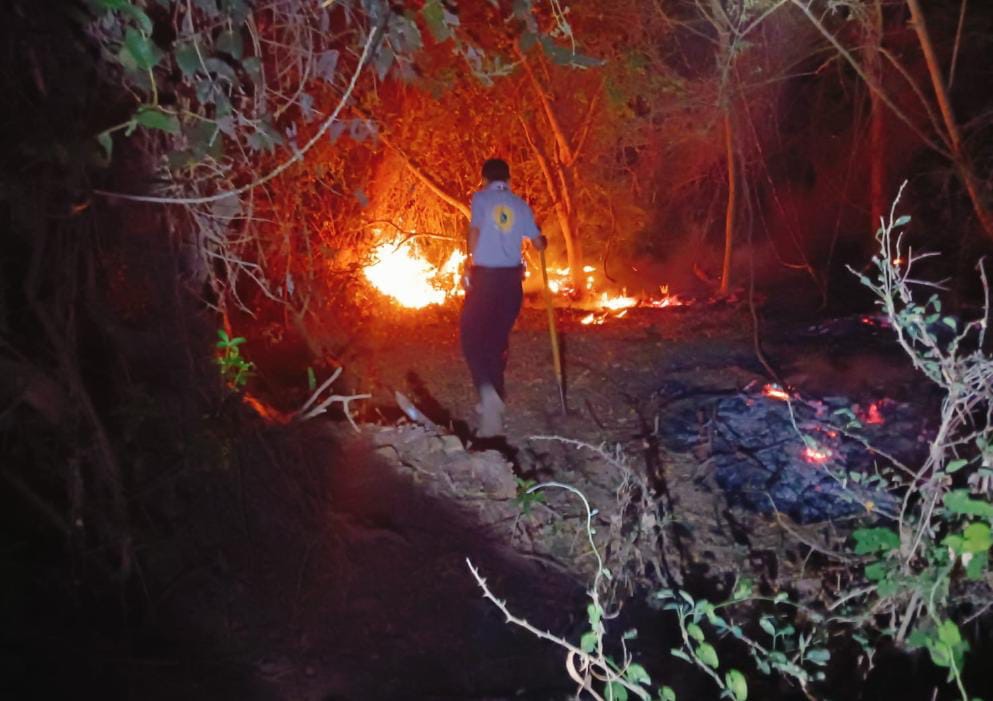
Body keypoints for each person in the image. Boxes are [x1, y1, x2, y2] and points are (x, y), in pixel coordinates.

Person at [460, 158, 547, 437]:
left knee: (471, 336)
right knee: (497, 340)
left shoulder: (481, 199)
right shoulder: (520, 205)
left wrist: (469, 262)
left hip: (485, 278)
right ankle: (494, 400)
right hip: (511, 283)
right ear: (508, 180)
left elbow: (474, 230)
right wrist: (542, 240)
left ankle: (488, 393)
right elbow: (538, 242)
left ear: (484, 179)